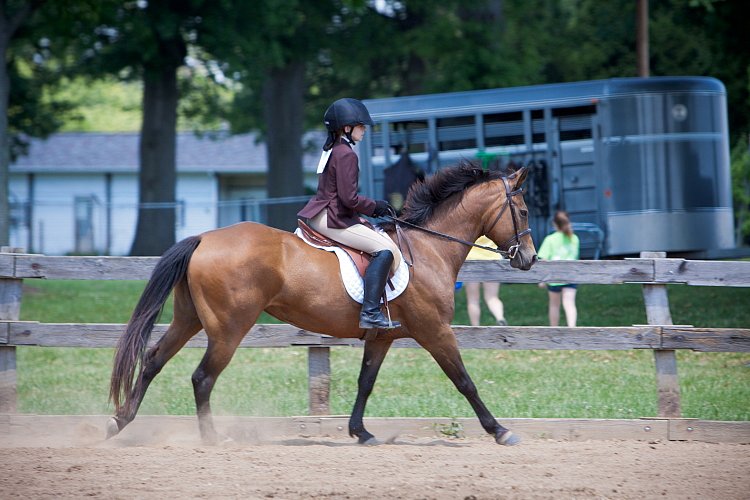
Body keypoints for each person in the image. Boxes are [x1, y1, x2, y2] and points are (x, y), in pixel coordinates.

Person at [298, 98, 403, 329]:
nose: (364, 130)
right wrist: (376, 206)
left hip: (320, 214)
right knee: (384, 249)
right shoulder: (346, 154)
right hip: (333, 218)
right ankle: (370, 313)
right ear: (347, 128)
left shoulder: (333, 150)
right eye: (361, 126)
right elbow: (349, 199)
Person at [537, 210, 580, 327]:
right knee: (570, 304)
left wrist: (543, 280)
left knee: (554, 305)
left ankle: (554, 330)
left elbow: (544, 260)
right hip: (570, 276)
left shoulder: (549, 239)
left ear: (554, 224)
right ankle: (572, 329)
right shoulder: (574, 238)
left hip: (554, 278)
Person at [464, 235, 508, 326]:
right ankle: (500, 318)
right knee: (492, 297)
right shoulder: (490, 222)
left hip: (471, 260)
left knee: (473, 300)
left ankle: (475, 327)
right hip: (493, 259)